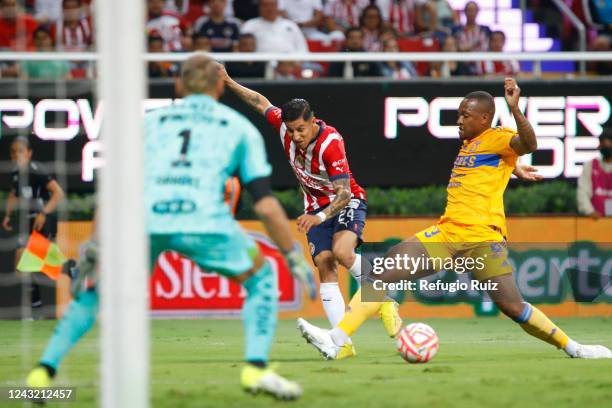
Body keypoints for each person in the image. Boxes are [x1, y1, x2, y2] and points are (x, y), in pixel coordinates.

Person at [27, 54, 317, 400]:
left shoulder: (147, 124)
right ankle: (256, 369)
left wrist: (95, 246)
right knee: (262, 277)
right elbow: (266, 206)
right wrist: (292, 255)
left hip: (144, 220)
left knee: (96, 292)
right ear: (217, 88)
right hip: (204, 220)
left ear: (178, 86)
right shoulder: (239, 128)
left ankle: (43, 372)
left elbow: (115, 190)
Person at [297, 78, 612, 361]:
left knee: (514, 307)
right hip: (453, 234)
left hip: (479, 236)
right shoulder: (472, 145)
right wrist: (512, 168)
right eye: (459, 114)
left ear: (484, 118)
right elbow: (494, 163)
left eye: (465, 115)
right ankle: (336, 339)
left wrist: (515, 110)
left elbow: (529, 145)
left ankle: (574, 348)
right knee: (387, 268)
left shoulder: (499, 136)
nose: (458, 120)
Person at [221, 64, 402, 360]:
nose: (295, 136)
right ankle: (343, 345)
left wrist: (319, 217)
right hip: (314, 205)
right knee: (325, 263)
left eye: (301, 129)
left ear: (314, 121)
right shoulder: (285, 126)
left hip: (345, 201)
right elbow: (259, 101)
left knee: (343, 253)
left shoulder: (331, 143)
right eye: (291, 130)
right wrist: (228, 81)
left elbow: (343, 193)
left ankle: (383, 300)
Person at [3, 136, 65, 317]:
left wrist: (43, 213)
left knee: (30, 264)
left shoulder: (37, 171)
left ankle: (36, 309)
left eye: (20, 151)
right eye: (13, 152)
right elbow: (14, 194)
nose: (17, 155)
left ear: (29, 154)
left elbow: (58, 193)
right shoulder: (16, 173)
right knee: (25, 267)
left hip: (43, 221)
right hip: (29, 222)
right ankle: (36, 309)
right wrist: (7, 214)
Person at [577, 129, 612, 218]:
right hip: (595, 221)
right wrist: (589, 211)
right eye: (602, 144)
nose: (605, 146)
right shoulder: (590, 165)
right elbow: (583, 191)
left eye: (608, 144)